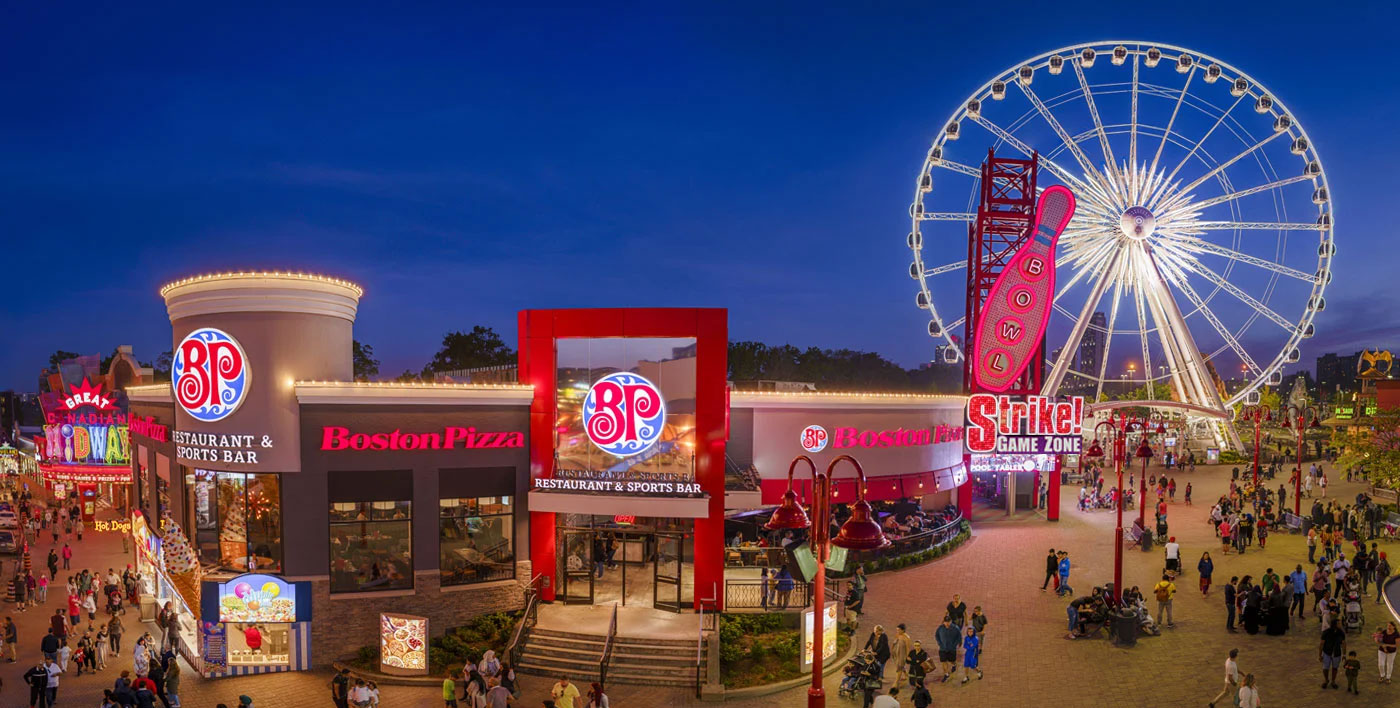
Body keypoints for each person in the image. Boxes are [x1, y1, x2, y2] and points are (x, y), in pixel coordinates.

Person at [1321, 618, 1347, 689]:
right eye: (1339, 623)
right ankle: (1326, 680)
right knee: (1325, 668)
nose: (1340, 625)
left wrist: (1344, 654)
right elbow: (1322, 644)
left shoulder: (1341, 633)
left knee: (1335, 668)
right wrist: (1320, 655)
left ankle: (1333, 681)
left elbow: (1343, 644)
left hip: (1336, 653)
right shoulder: (1326, 632)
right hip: (1327, 652)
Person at [933, 616, 959, 682]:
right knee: (943, 661)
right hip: (942, 649)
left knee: (952, 660)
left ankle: (954, 664)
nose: (947, 623)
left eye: (948, 622)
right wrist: (940, 643)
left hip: (951, 649)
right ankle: (946, 674)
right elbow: (937, 635)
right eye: (946, 622)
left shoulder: (955, 628)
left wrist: (954, 645)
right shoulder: (940, 628)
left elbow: (959, 637)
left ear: (951, 621)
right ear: (944, 622)